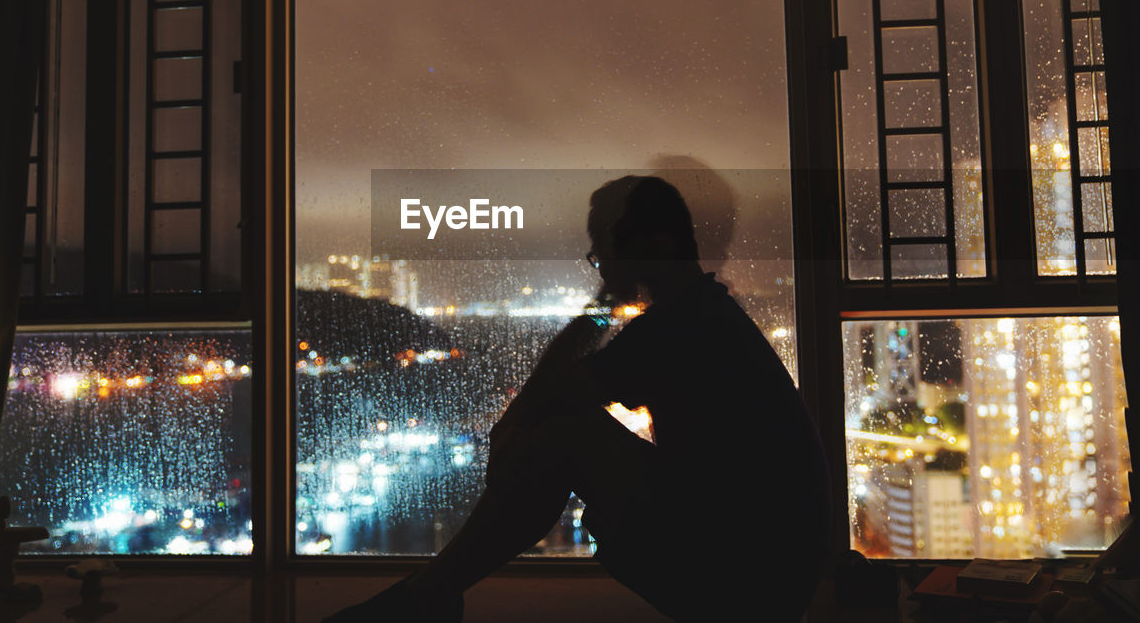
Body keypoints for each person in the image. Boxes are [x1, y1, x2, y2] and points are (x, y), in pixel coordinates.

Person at [325, 175, 830, 622]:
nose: (603, 269)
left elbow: (552, 396)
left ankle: (429, 595)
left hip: (746, 585)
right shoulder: (706, 314)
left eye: (606, 255)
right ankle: (431, 594)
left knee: (561, 435)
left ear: (651, 244)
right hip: (771, 577)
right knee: (562, 430)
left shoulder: (677, 328)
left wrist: (602, 306)